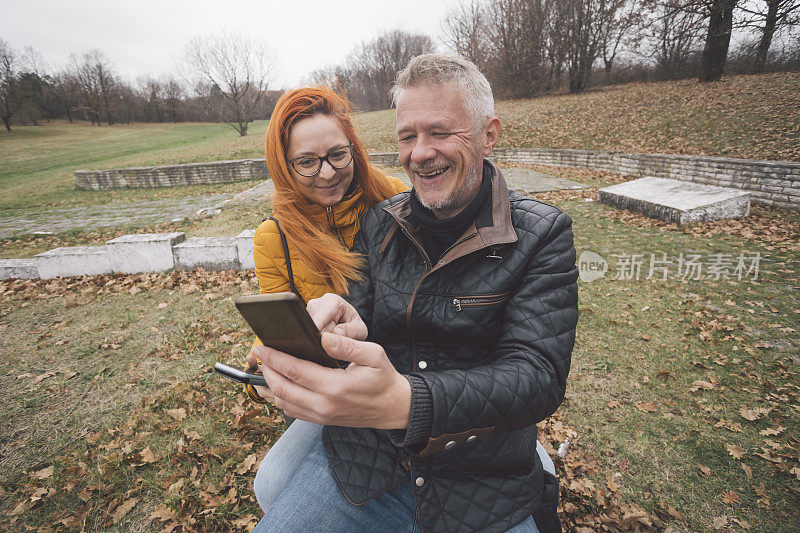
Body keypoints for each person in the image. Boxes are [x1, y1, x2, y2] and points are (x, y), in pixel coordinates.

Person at [253, 54, 578, 533]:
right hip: (366, 468)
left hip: (480, 481)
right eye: (407, 136)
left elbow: (536, 376)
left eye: (441, 132)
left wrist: (408, 402)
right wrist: (346, 325)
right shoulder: (382, 222)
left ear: (489, 134)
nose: (420, 152)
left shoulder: (541, 235)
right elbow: (361, 314)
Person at [244, 86, 407, 513]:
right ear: (284, 165)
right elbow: (279, 318)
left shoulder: (390, 196)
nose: (327, 173)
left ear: (353, 147)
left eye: (338, 154)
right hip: (334, 378)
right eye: (306, 162)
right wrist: (269, 354)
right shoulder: (273, 236)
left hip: (407, 362)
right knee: (272, 484)